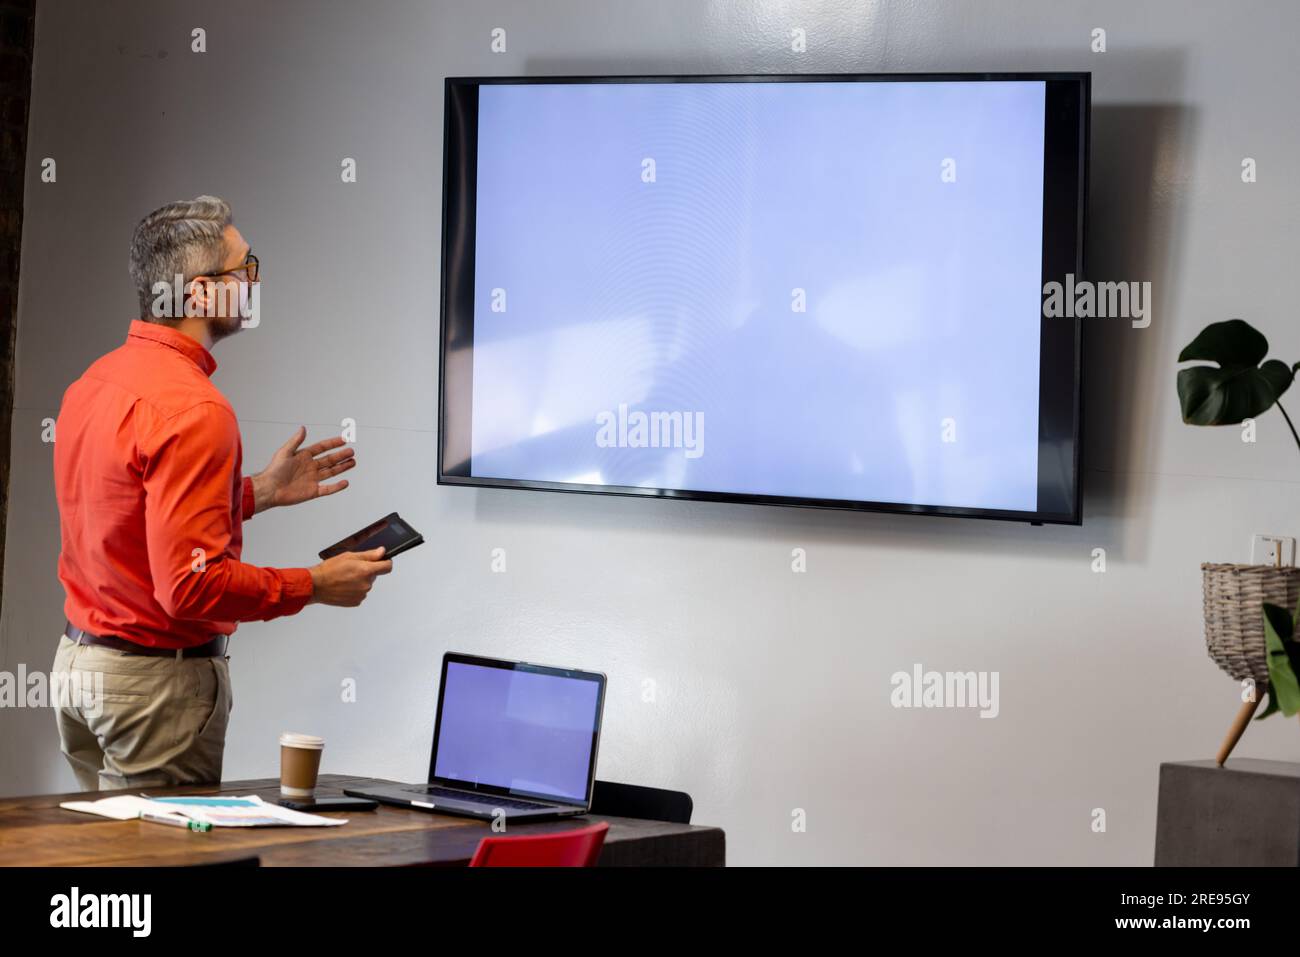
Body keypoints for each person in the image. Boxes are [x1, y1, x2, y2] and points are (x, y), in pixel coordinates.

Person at [50, 195, 392, 790]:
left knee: (107, 869)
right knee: (160, 868)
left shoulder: (94, 382)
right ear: (204, 293)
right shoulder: (197, 409)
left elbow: (129, 515)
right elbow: (189, 588)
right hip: (154, 691)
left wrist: (257, 490)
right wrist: (315, 584)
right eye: (245, 268)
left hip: (81, 670)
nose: (255, 281)